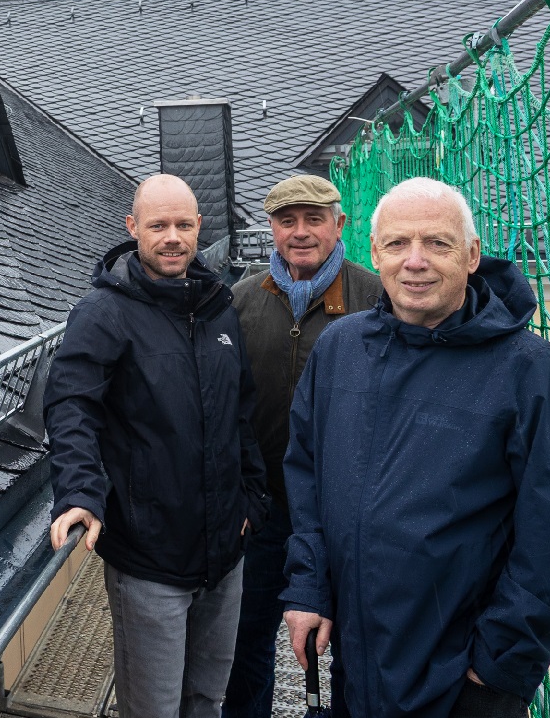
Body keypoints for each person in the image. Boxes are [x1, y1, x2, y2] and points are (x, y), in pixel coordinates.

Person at [281, 177, 550, 718]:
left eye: (438, 244)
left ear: (472, 256)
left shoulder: (528, 368)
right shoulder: (340, 348)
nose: (416, 261)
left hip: (462, 680)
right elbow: (306, 474)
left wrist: (496, 670)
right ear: (375, 253)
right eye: (398, 244)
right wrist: (308, 588)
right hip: (355, 662)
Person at [46, 174, 271, 718]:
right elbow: (71, 404)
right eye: (158, 225)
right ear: (133, 229)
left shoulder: (217, 306)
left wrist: (252, 499)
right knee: (154, 710)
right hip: (151, 560)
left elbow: (240, 411)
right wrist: (80, 492)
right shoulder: (105, 312)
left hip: (225, 552)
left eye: (184, 225)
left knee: (206, 700)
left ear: (199, 228)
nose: (172, 237)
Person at [221, 175, 382, 718]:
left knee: (355, 647)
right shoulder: (239, 302)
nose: (301, 232)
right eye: (287, 221)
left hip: (349, 514)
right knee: (249, 644)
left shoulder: (376, 300)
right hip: (262, 511)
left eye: (315, 219)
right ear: (271, 228)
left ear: (341, 225)